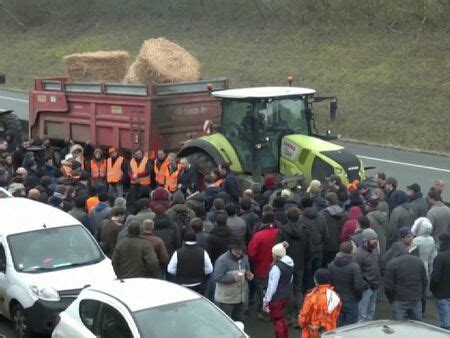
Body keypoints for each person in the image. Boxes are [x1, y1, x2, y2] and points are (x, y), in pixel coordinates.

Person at [276, 207, 312, 326]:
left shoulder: (283, 230)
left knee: (287, 288)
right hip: (300, 263)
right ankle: (299, 315)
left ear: (287, 217)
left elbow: (278, 248)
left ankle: (288, 316)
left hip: (286, 264)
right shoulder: (305, 230)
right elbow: (309, 249)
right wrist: (307, 262)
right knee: (298, 289)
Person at [384, 236, 427, 321]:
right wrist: (419, 294)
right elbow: (424, 281)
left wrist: (392, 299)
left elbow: (388, 286)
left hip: (399, 299)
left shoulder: (392, 264)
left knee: (396, 326)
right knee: (417, 326)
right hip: (415, 299)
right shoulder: (418, 261)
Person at [213, 239, 253, 321]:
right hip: (226, 299)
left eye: (241, 250)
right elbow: (217, 277)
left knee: (239, 320)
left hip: (241, 297)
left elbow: (247, 269)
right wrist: (233, 278)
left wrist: (248, 274)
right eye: (236, 250)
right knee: (226, 321)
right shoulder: (222, 260)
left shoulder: (245, 258)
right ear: (231, 249)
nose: (239, 252)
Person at [248, 214, 278, 317]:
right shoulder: (280, 233)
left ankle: (265, 312)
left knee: (263, 290)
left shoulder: (258, 235)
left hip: (262, 268)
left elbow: (252, 253)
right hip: (278, 267)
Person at [328, 241, 364, 327]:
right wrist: (357, 298)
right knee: (350, 329)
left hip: (336, 301)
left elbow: (330, 283)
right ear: (351, 251)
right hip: (351, 301)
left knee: (337, 327)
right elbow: (358, 287)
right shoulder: (354, 267)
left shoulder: (331, 265)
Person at [263, 242, 294, 338]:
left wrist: (266, 300)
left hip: (277, 298)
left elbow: (272, 285)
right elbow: (290, 279)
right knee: (282, 319)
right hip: (286, 295)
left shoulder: (276, 267)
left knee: (277, 320)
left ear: (275, 254)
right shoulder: (289, 264)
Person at [299, 269, 342, 338]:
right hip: (330, 333)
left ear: (315, 280)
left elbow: (304, 318)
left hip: (312, 333)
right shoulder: (335, 296)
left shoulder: (311, 297)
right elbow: (336, 315)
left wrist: (301, 322)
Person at [299, 197, 329, 277]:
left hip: (306, 251)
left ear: (302, 206)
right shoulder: (321, 216)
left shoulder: (300, 219)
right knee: (317, 273)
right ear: (312, 204)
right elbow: (326, 234)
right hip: (319, 248)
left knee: (307, 274)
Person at [355, 228, 381, 322]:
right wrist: (364, 284)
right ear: (366, 240)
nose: (376, 241)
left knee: (371, 312)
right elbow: (357, 272)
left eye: (376, 239)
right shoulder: (359, 254)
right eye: (373, 239)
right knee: (362, 314)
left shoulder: (374, 250)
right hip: (367, 288)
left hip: (375, 286)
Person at [430, 232, 450, 330]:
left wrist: (432, 289)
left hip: (442, 294)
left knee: (445, 323)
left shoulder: (441, 257)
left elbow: (435, 277)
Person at [321, 192, 347, 265]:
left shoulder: (323, 214)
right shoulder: (344, 213)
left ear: (328, 201)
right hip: (341, 244)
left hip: (327, 244)